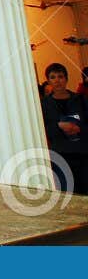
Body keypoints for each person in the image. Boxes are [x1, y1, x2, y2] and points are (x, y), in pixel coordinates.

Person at [41, 62, 87, 194]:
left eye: (60, 76)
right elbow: (43, 129)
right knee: (67, 193)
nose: (57, 81)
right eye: (53, 77)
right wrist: (58, 126)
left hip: (82, 153)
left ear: (66, 79)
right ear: (48, 81)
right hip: (59, 155)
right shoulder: (44, 104)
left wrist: (80, 128)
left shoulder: (80, 99)